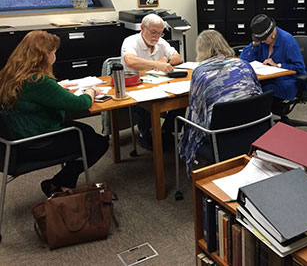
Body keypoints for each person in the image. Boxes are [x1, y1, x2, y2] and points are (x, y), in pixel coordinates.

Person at [0, 30, 108, 197]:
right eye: (53, 53)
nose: (54, 57)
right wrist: (91, 91)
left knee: (86, 132)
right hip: (35, 143)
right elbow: (81, 103)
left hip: (15, 137)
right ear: (44, 55)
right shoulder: (39, 81)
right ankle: (59, 182)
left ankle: (62, 183)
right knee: (99, 143)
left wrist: (57, 89)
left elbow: (34, 96)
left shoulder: (11, 73)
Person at [179, 30, 262, 172]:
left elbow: (196, 110)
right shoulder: (243, 64)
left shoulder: (201, 72)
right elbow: (259, 95)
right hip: (254, 126)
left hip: (220, 132)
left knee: (184, 120)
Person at [121, 13, 184, 150]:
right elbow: (130, 61)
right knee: (145, 105)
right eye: (153, 32)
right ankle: (146, 135)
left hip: (159, 83)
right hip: (136, 86)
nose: (156, 37)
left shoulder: (160, 42)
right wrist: (156, 64)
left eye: (160, 33)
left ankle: (168, 131)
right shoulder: (131, 41)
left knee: (182, 98)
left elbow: (178, 58)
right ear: (142, 28)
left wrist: (166, 60)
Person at [240, 14, 306, 113]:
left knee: (256, 93)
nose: (263, 41)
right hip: (268, 78)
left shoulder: (288, 41)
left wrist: (278, 65)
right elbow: (244, 59)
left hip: (286, 81)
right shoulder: (261, 42)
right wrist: (254, 44)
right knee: (246, 87)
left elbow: (299, 67)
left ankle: (261, 122)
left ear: (273, 32)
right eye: (260, 39)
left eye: (264, 38)